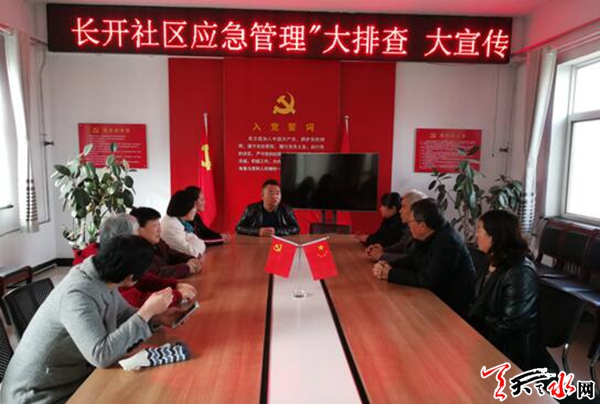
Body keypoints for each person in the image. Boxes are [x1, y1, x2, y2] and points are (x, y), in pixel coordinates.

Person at [0, 236, 179, 403]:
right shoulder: (77, 295)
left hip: (70, 376)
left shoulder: (103, 275)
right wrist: (146, 312)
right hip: (38, 394)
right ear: (130, 278)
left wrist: (156, 318)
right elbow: (101, 355)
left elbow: (123, 314)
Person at [468, 210, 558, 372]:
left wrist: (472, 338)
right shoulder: (489, 260)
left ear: (494, 236)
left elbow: (510, 326)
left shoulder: (520, 272)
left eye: (480, 230)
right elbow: (477, 303)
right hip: (488, 339)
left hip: (514, 354)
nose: (476, 235)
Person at [373, 198, 475, 317]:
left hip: (450, 308)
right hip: (433, 297)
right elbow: (414, 260)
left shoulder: (447, 243)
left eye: (410, 222)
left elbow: (428, 280)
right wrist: (387, 265)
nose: (408, 225)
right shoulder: (431, 233)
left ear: (422, 225)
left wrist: (391, 274)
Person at [132, 207, 202, 279]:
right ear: (138, 229)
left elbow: (171, 254)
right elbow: (157, 274)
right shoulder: (135, 252)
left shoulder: (158, 242)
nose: (159, 230)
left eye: (159, 225)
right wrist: (187, 268)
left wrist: (190, 259)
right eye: (154, 225)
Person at [366, 189, 427, 263]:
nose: (400, 211)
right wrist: (383, 250)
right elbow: (401, 245)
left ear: (415, 210)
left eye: (403, 207)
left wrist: (381, 255)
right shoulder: (409, 225)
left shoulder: (422, 229)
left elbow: (412, 259)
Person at [161, 190, 207, 257]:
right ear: (186, 208)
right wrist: (197, 245)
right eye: (194, 207)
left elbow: (198, 241)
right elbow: (194, 252)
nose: (195, 210)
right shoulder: (171, 227)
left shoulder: (178, 221)